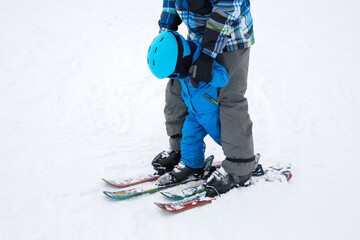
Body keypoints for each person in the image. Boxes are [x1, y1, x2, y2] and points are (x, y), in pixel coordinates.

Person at [153, 0, 257, 196]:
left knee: (229, 99)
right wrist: (166, 33)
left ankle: (239, 168)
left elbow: (226, 8)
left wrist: (208, 55)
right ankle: (184, 153)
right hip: (197, 37)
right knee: (178, 89)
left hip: (231, 39)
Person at [147, 30, 228, 185]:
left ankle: (242, 162)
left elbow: (223, 78)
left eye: (175, 74)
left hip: (211, 114)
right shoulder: (182, 61)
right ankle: (193, 166)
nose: (175, 78)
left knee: (226, 139)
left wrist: (205, 73)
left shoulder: (202, 59)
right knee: (189, 138)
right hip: (194, 113)